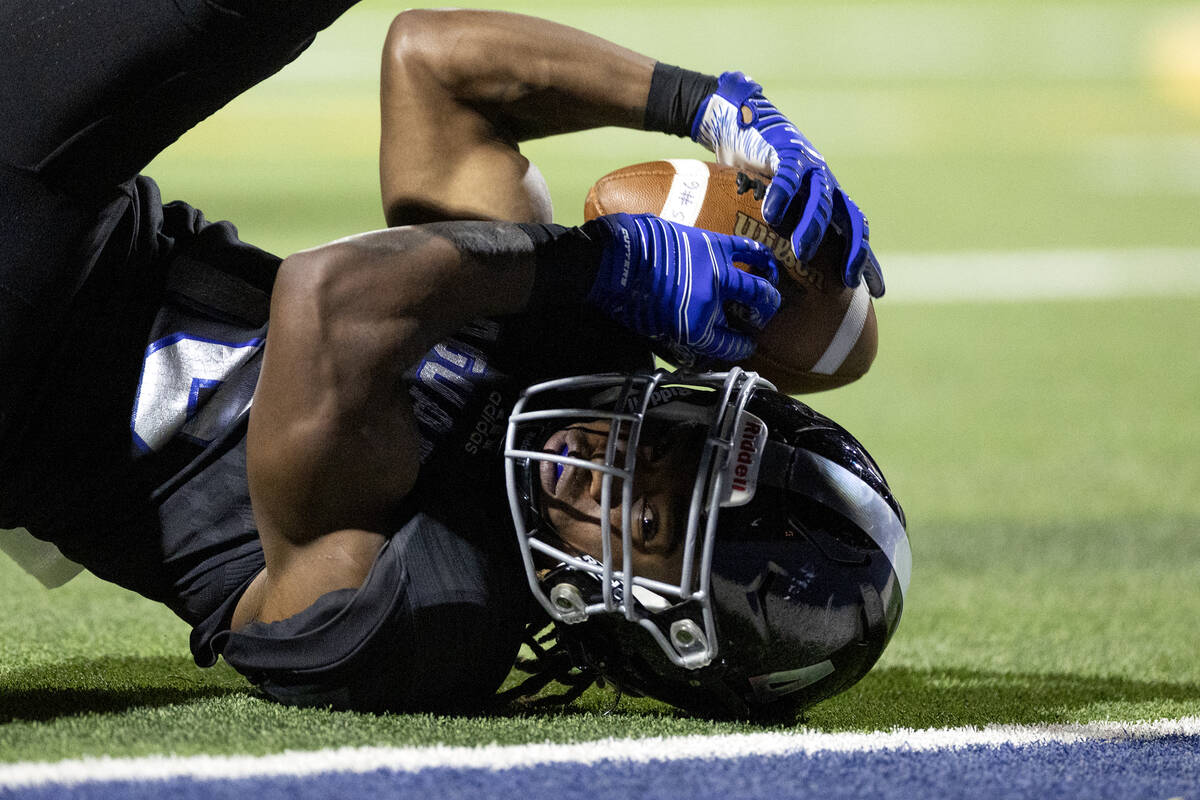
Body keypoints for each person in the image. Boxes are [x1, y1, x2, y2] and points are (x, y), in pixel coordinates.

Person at [0, 1, 906, 718]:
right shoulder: (573, 367)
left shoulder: (429, 622)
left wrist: (598, 262)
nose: (613, 466)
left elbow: (329, 302)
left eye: (652, 523)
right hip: (75, 213)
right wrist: (705, 105)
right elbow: (430, 63)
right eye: (669, 444)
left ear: (659, 630)